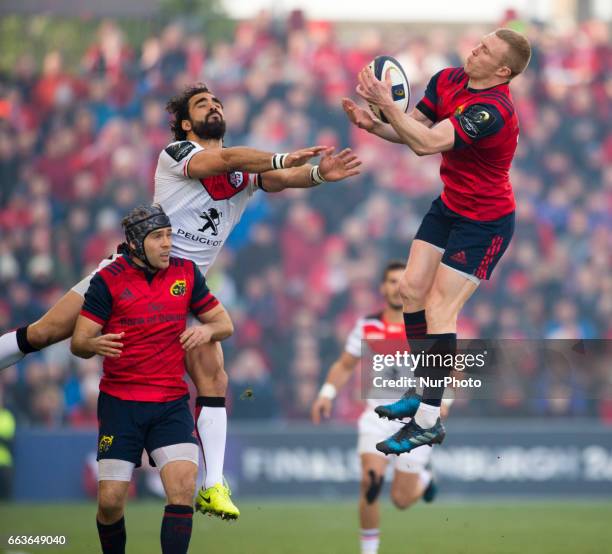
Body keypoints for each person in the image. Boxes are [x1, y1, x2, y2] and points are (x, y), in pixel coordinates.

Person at [0, 83, 361, 518]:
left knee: (215, 379)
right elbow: (227, 159)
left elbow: (279, 178)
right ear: (187, 123)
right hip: (128, 274)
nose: (214, 106)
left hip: (185, 287)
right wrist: (283, 156)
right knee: (44, 333)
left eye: (218, 102)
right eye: (203, 104)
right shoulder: (177, 155)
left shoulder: (245, 170)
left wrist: (320, 174)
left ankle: (212, 485)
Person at [342, 28, 531, 454]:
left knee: (440, 308)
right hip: (450, 205)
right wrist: (374, 125)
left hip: (485, 222)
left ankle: (428, 419)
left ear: (503, 71)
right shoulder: (447, 79)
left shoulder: (491, 111)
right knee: (410, 290)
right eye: (479, 42)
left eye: (485, 50)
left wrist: (388, 105)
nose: (475, 49)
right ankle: (420, 391)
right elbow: (415, 128)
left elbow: (425, 144)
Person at [71, 204, 233, 554]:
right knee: (111, 503)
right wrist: (93, 344)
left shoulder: (186, 273)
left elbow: (225, 324)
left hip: (170, 403)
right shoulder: (108, 280)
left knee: (182, 489)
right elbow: (79, 342)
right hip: (120, 404)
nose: (166, 244)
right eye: (157, 237)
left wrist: (206, 332)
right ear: (134, 242)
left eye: (169, 236)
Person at [311, 261, 451, 554]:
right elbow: (345, 364)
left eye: (403, 281)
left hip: (417, 421)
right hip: (377, 417)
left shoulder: (427, 326)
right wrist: (327, 393)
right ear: (383, 287)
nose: (397, 288)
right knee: (370, 482)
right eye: (391, 281)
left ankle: (423, 481)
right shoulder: (367, 326)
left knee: (401, 499)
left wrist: (445, 400)